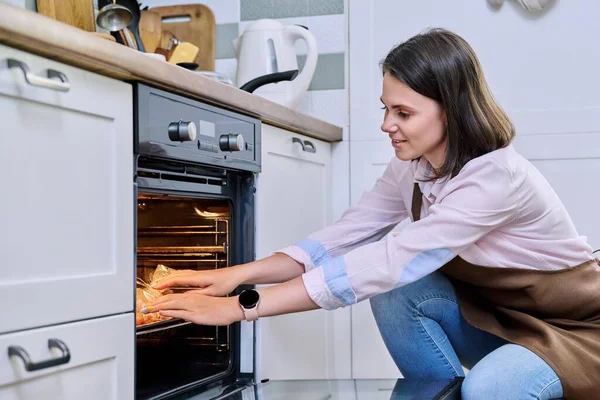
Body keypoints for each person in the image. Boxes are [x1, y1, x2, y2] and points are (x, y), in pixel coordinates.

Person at [142, 28, 600, 399]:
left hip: (577, 335)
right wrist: (235, 276)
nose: (386, 125)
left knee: (491, 388)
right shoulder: (414, 167)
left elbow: (387, 261)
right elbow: (341, 239)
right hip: (504, 323)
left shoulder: (496, 178)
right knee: (399, 295)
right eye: (386, 109)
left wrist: (240, 308)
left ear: (452, 113)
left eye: (403, 112)